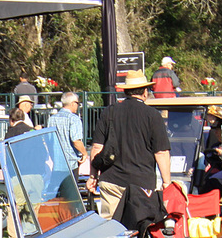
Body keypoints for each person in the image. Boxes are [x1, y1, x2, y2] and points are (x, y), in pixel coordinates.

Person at [88, 70, 170, 228]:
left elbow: (97, 147)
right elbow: (161, 152)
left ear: (126, 91)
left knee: (111, 229)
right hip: (142, 183)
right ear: (145, 92)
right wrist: (167, 182)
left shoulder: (109, 112)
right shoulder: (152, 115)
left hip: (111, 179)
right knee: (139, 228)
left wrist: (93, 177)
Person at [46, 92, 86, 168]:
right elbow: (76, 141)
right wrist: (84, 153)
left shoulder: (52, 119)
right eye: (77, 103)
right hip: (71, 162)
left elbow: (49, 140)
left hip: (57, 161)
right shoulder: (74, 119)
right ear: (73, 103)